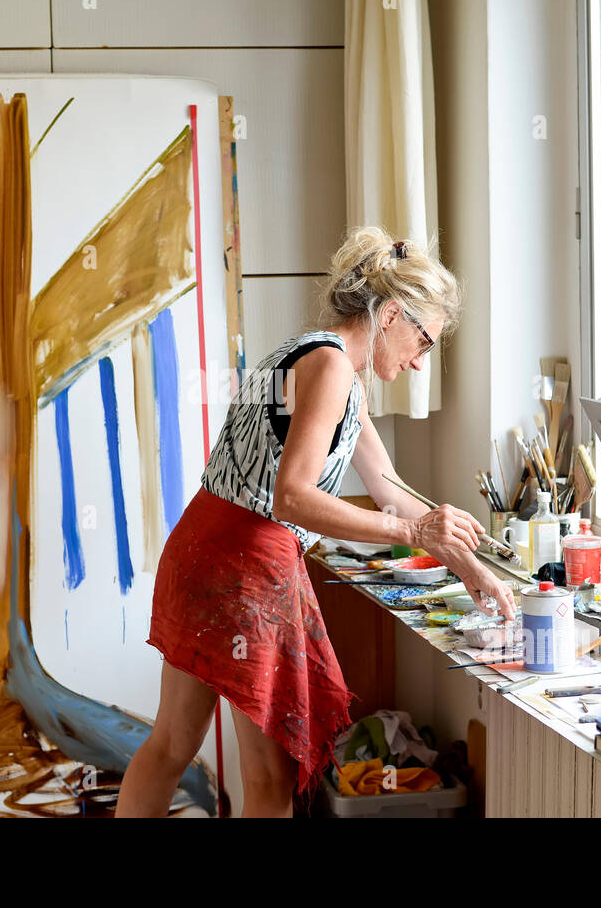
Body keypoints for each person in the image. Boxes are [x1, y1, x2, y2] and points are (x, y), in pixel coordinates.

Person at [115, 226, 516, 817]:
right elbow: (292, 498)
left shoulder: (316, 355)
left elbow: (387, 486)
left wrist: (471, 566)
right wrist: (412, 534)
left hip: (202, 549)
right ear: (391, 316)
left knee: (172, 743)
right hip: (244, 568)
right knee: (270, 780)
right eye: (423, 341)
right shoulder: (330, 369)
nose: (418, 362)